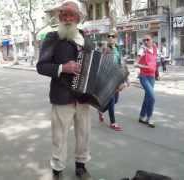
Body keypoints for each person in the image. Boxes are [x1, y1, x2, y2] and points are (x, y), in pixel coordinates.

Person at [36, 1, 94, 179]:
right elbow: (41, 66)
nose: (68, 18)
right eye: (64, 15)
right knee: (59, 137)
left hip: (83, 98)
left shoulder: (85, 38)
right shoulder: (52, 37)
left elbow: (94, 64)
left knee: (84, 135)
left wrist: (115, 82)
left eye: (72, 15)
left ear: (78, 18)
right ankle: (58, 169)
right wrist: (62, 68)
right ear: (60, 18)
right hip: (62, 97)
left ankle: (81, 166)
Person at [98, 32, 129, 131]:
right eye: (109, 36)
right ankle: (113, 122)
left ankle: (101, 110)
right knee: (111, 99)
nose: (110, 38)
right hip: (107, 78)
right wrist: (103, 51)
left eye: (113, 36)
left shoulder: (119, 49)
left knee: (115, 100)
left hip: (117, 77)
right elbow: (99, 61)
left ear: (116, 38)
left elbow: (122, 64)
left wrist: (126, 78)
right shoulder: (105, 49)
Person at [134, 34, 157, 128]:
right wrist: (144, 66)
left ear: (152, 40)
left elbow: (155, 62)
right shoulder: (142, 50)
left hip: (152, 76)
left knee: (147, 96)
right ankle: (149, 117)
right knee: (152, 97)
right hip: (144, 76)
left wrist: (157, 74)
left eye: (148, 39)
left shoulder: (155, 49)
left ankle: (141, 116)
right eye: (144, 40)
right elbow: (135, 64)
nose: (146, 41)